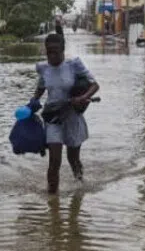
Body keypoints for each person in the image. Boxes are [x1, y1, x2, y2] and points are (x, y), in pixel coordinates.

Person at [34, 33, 99, 194]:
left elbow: (94, 85)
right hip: (53, 117)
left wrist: (82, 98)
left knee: (73, 159)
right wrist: (31, 105)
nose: (52, 56)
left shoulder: (74, 65)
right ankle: (52, 199)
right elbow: (40, 89)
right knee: (54, 160)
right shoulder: (43, 69)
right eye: (49, 52)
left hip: (72, 117)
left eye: (55, 52)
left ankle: (80, 185)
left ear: (63, 50)